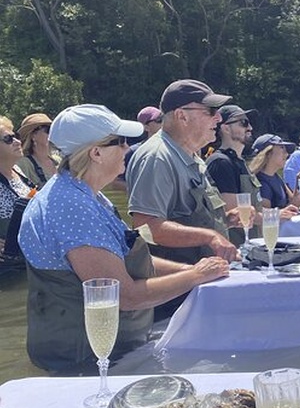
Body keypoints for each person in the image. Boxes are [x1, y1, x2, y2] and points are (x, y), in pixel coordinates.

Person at [17, 104, 229, 372]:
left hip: (111, 350)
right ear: (95, 153)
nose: (128, 149)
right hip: (87, 362)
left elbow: (122, 259)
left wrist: (195, 271)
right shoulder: (72, 207)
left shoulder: (86, 194)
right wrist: (195, 277)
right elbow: (122, 296)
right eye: (120, 142)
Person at [126, 79, 239, 318]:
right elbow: (146, 227)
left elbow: (186, 215)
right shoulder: (157, 158)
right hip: (176, 301)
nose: (218, 119)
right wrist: (210, 235)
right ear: (181, 115)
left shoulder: (191, 155)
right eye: (210, 111)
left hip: (200, 289)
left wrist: (223, 222)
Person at [205, 104, 259, 246]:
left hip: (251, 245)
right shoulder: (221, 163)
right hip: (236, 248)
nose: (250, 128)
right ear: (226, 128)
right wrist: (276, 217)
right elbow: (235, 213)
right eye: (243, 123)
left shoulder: (239, 161)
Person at [1, 116, 35, 264]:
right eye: (8, 139)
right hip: (6, 270)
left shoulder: (17, 170)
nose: (17, 142)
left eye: (16, 136)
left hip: (26, 260)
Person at [249, 133, 300, 219]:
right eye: (282, 150)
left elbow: (293, 201)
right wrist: (293, 204)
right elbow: (265, 217)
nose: (286, 155)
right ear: (268, 153)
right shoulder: (260, 182)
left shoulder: (276, 176)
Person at [15, 113, 57, 189]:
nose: (52, 133)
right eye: (48, 130)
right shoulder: (24, 164)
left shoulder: (58, 159)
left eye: (52, 129)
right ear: (33, 135)